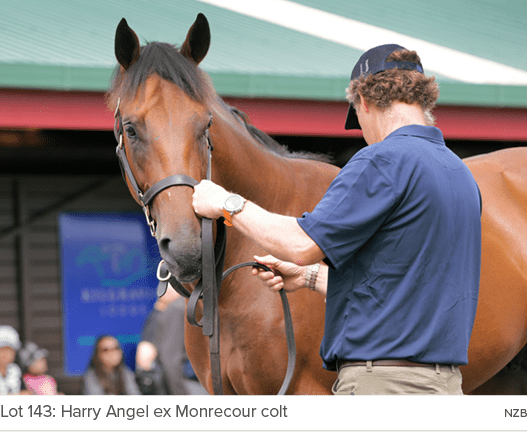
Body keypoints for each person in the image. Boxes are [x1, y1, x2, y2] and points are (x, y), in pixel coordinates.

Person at [192, 44, 482, 395]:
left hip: (383, 387)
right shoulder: (460, 173)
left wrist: (225, 202)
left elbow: (300, 244)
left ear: (365, 99)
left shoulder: (382, 160)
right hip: (444, 386)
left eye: (357, 117)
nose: (362, 130)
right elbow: (407, 290)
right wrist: (308, 276)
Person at [136, 286, 208, 395]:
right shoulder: (177, 309)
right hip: (186, 383)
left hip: (188, 381)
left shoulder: (178, 308)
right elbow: (170, 359)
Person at [0, 325, 26, 395]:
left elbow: (21, 391)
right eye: (2, 350)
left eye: (10, 350)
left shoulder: (15, 370)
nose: (6, 354)